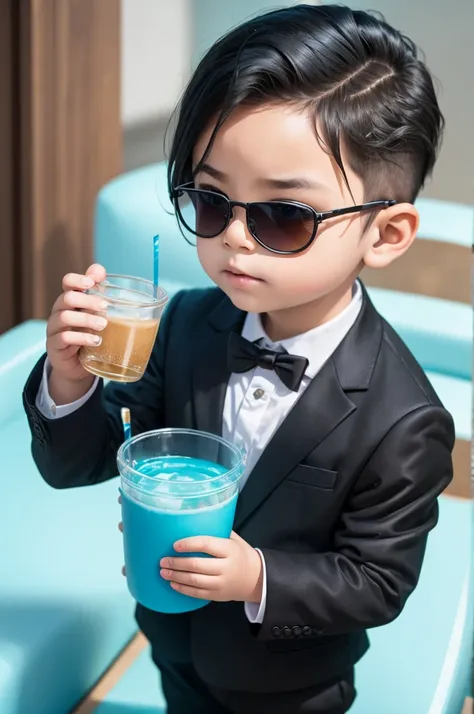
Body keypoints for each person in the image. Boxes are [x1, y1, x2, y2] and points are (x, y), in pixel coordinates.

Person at [23, 4, 454, 713]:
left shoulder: (403, 419)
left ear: (386, 233)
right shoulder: (188, 325)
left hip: (292, 682)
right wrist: (69, 382)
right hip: (171, 638)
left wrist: (257, 575)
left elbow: (379, 583)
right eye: (212, 201)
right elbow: (83, 461)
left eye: (285, 216)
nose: (235, 241)